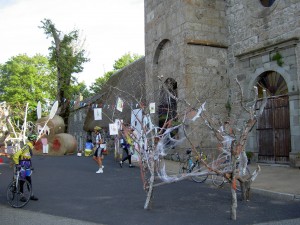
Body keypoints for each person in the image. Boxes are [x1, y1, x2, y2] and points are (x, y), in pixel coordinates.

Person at [12, 134, 38, 201]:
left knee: (29, 179)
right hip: (23, 164)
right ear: (32, 140)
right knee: (22, 180)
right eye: (35, 140)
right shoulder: (26, 146)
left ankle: (31, 195)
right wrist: (17, 164)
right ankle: (21, 195)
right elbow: (16, 155)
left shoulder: (30, 146)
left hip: (27, 164)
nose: (36, 141)